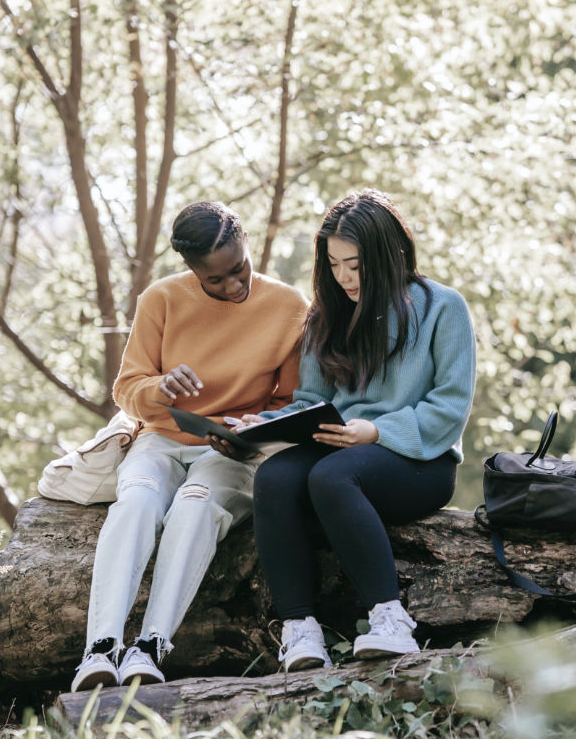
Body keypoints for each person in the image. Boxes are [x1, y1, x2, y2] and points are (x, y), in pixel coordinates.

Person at [70, 201, 308, 691]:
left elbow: (292, 403)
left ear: (246, 245)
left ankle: (150, 647)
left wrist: (254, 430)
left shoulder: (289, 308)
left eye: (238, 270)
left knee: (195, 507)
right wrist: (158, 388)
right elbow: (126, 390)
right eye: (215, 280)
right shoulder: (160, 299)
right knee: (134, 501)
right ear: (190, 269)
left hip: (231, 453)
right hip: (161, 439)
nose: (232, 286)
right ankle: (100, 649)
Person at [239, 189, 476, 672]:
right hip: (339, 449)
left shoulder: (443, 307)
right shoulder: (326, 316)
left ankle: (390, 620)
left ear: (390, 254)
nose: (343, 277)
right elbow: (308, 404)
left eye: (355, 265)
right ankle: (299, 630)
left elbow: (450, 407)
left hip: (419, 461)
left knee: (331, 476)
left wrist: (375, 431)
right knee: (275, 478)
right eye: (334, 264)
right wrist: (257, 427)